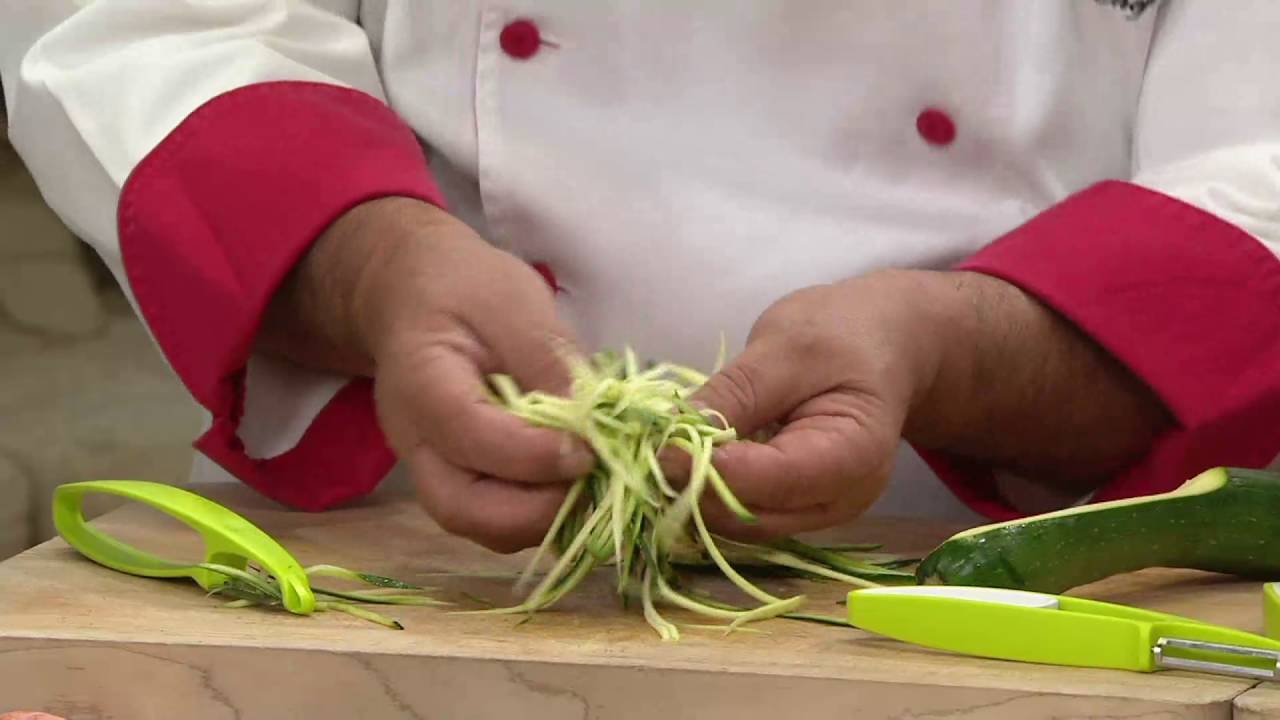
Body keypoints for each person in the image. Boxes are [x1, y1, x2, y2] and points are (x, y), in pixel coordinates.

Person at [2, 1, 1278, 553]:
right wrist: (373, 264)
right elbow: (149, 32)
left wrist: (956, 349)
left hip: (1007, 568)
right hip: (418, 549)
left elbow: (1256, 170)